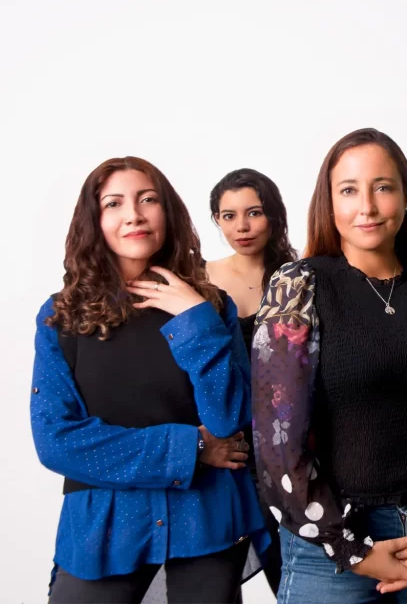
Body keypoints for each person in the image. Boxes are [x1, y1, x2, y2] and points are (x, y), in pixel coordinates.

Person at [251, 128, 407, 603]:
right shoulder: (300, 286)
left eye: (382, 186)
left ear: (406, 196)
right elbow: (276, 443)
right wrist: (349, 548)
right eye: (349, 190)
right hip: (329, 544)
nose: (367, 206)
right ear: (329, 202)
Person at [31, 156, 269, 604]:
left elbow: (232, 421)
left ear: (168, 212)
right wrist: (191, 448)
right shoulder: (60, 317)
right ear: (94, 220)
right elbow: (56, 441)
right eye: (114, 203)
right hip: (104, 529)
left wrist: (196, 318)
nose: (134, 214)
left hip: (207, 522)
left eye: (147, 200)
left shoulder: (210, 306)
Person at [208, 168, 298, 595]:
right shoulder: (198, 277)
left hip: (293, 436)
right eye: (228, 216)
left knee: (298, 563)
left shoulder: (301, 276)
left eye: (253, 213)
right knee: (219, 570)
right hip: (231, 441)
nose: (240, 227)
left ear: (274, 216)